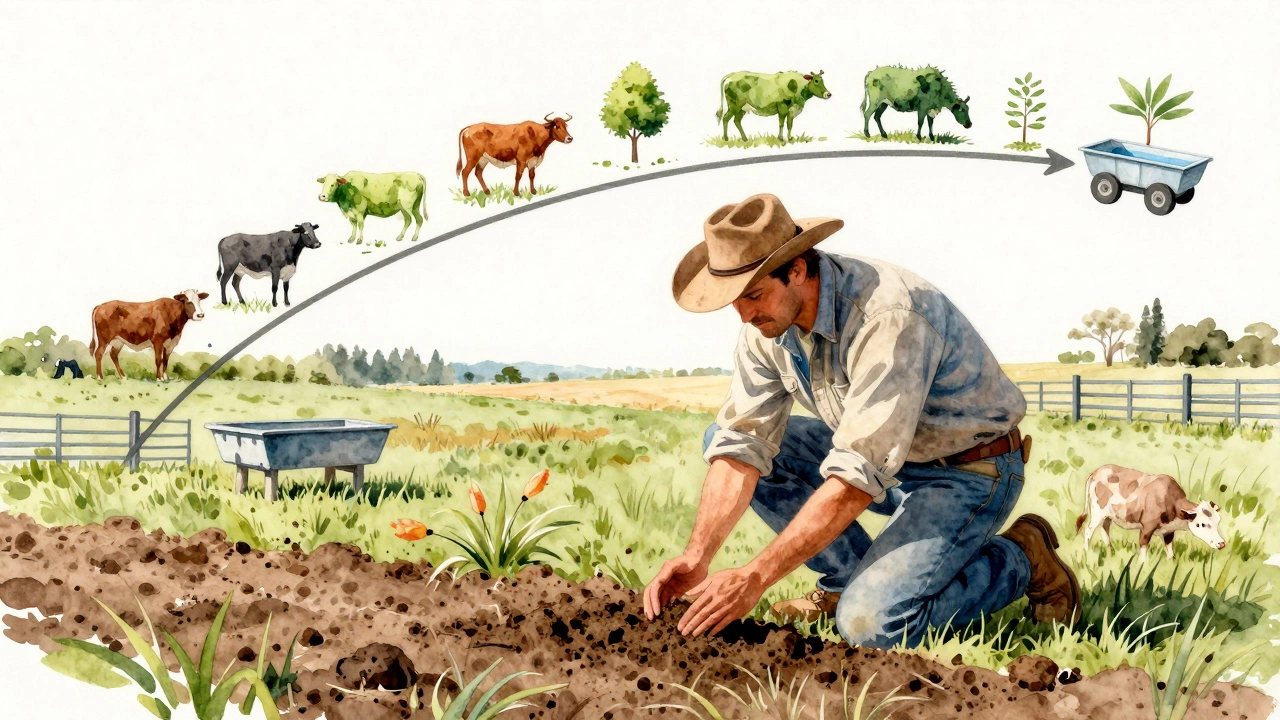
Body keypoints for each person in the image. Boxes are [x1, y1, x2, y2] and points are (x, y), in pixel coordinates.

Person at [642, 193, 1080, 649]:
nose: (746, 315)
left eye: (753, 295)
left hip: (966, 472)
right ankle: (845, 582)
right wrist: (698, 555)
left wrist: (755, 576)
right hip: (889, 465)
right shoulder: (767, 327)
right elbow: (741, 443)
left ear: (797, 270)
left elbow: (856, 475)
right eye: (736, 300)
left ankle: (1021, 556)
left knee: (871, 627)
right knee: (724, 440)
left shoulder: (889, 315)